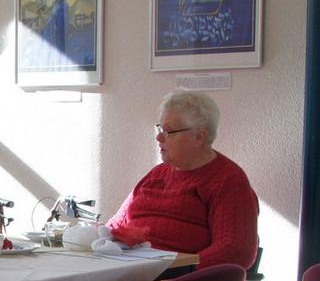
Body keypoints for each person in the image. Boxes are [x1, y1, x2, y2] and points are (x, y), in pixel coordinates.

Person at [108, 89, 259, 269]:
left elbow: (235, 251)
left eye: (169, 131)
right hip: (130, 271)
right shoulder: (156, 174)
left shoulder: (228, 179)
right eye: (161, 128)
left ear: (199, 136)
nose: (159, 137)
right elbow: (115, 227)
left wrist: (175, 270)